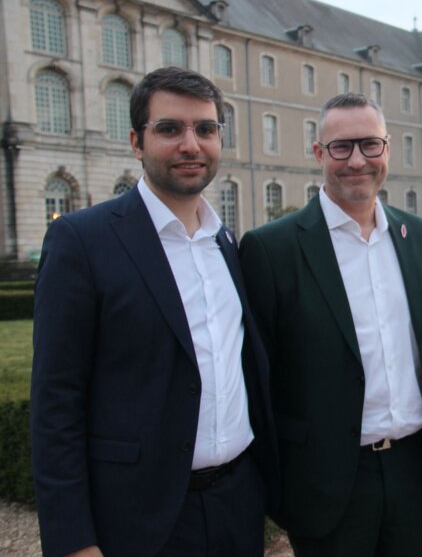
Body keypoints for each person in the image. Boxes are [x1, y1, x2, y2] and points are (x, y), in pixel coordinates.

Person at [30, 67, 278, 557]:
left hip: (238, 505)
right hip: (140, 517)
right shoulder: (83, 240)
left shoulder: (226, 241)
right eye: (170, 129)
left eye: (206, 129)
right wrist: (74, 541)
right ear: (136, 141)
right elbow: (56, 402)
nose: (191, 144)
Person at [239, 92, 422, 557]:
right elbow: (258, 378)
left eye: (369, 145)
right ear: (319, 154)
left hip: (414, 468)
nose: (357, 160)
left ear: (387, 149)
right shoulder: (270, 248)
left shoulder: (418, 234)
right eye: (341, 147)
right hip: (326, 478)